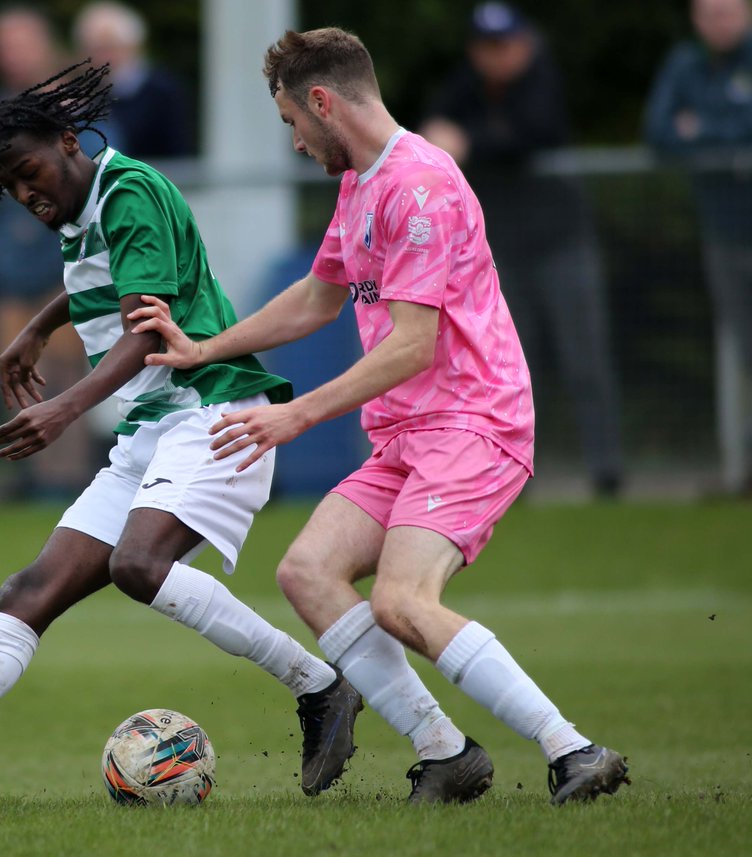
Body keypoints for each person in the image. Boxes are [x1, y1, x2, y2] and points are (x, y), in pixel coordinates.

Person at [0, 62, 363, 809]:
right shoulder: (85, 207)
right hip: (156, 429)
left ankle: (321, 685)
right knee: (28, 590)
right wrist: (37, 326)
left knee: (137, 563)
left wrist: (62, 407)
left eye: (31, 173)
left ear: (69, 141)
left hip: (214, 413)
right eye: (13, 189)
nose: (29, 196)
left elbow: (144, 329)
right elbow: (101, 275)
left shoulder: (127, 190)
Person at [130, 27, 630, 805]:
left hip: (474, 423)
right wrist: (203, 348)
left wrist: (297, 418)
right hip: (408, 435)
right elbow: (314, 298)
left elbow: (413, 347)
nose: (295, 141)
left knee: (402, 601)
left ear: (323, 102)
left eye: (293, 120)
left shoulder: (420, 185)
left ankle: (575, 749)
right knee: (306, 571)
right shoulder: (361, 182)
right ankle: (445, 751)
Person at [420, 2, 624, 499]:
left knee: (585, 360)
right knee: (508, 368)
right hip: (502, 254)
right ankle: (514, 474)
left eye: (503, 44)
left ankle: (608, 472)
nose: (494, 56)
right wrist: (451, 137)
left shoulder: (541, 79)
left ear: (524, 43)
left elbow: (532, 134)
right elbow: (432, 129)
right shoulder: (466, 85)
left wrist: (468, 140)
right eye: (484, 47)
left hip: (561, 244)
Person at [0, 5, 98, 498]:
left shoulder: (80, 104)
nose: (10, 55)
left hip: (66, 267)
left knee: (69, 372)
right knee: (19, 372)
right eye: (3, 46)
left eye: (20, 43)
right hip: (11, 274)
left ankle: (71, 480)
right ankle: (35, 476)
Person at [645, 0, 752, 494]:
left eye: (728, 11)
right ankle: (741, 470)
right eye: (709, 12)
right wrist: (727, 139)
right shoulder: (685, 63)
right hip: (724, 234)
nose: (718, 22)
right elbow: (660, 130)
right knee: (742, 349)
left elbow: (699, 132)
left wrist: (703, 129)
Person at [72, 1, 194, 159]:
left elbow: (178, 151)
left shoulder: (163, 91)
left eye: (109, 47)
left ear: (132, 46)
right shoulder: (82, 92)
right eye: (94, 49)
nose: (102, 57)